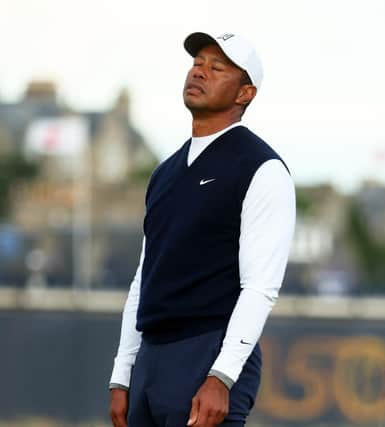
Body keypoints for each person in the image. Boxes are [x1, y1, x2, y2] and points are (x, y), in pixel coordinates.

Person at [108, 32, 296, 427]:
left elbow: (260, 286)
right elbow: (145, 278)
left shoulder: (262, 168)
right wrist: (122, 373)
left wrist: (221, 376)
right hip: (152, 357)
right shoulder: (165, 172)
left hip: (207, 352)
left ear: (245, 93)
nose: (200, 72)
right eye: (197, 63)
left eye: (217, 67)